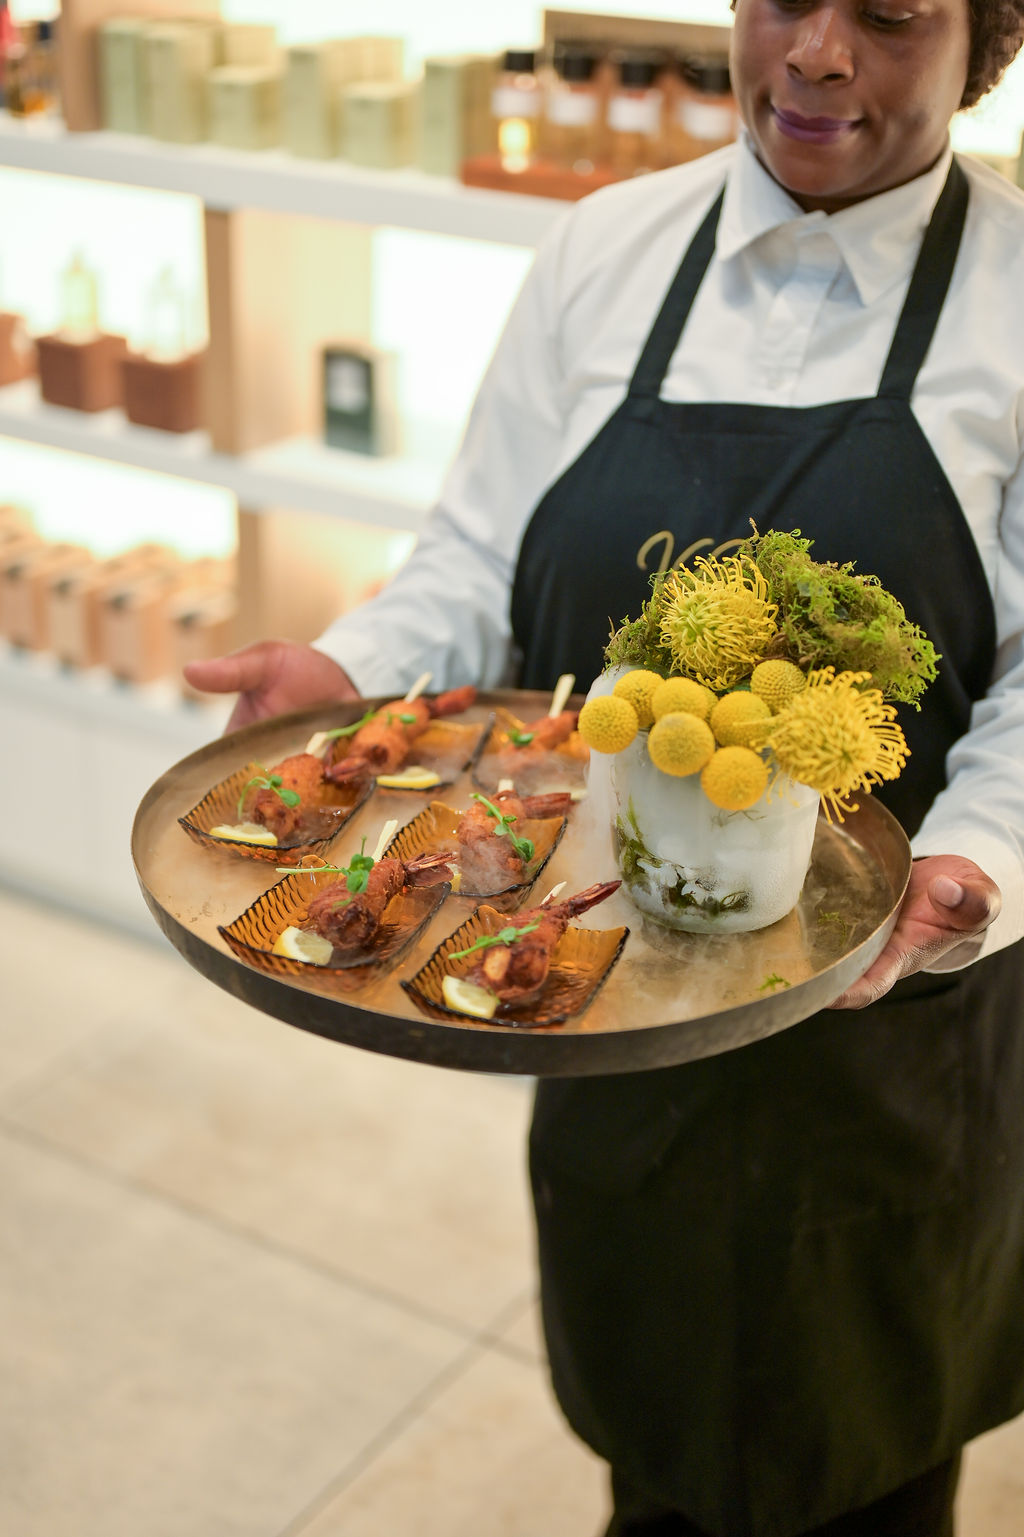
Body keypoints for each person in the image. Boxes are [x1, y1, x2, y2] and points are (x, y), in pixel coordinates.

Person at [186, 1, 1024, 1532]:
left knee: (871, 1462)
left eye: (891, 15)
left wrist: (975, 860)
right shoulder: (605, 251)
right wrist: (356, 679)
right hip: (604, 988)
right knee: (655, 1442)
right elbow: (479, 558)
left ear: (984, 44)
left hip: (894, 1030)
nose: (817, 53)